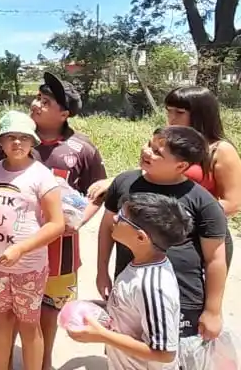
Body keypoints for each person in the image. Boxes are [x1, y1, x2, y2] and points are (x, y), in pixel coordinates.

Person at [0, 72, 106, 370]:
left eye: (45, 101)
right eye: (37, 98)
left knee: (47, 310)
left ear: (64, 114)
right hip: (11, 246)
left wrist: (76, 222)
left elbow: (98, 193)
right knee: (7, 310)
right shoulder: (7, 143)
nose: (36, 104)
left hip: (60, 248)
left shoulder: (82, 149)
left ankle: (44, 363)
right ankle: (4, 362)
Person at [97, 126, 228, 342]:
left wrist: (213, 311)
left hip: (179, 297)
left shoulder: (202, 202)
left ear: (181, 166)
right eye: (149, 144)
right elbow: (106, 228)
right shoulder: (124, 183)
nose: (146, 151)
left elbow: (215, 258)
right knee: (123, 345)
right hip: (129, 291)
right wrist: (102, 271)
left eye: (157, 152)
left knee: (166, 350)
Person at [90, 85, 241, 266]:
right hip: (158, 234)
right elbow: (150, 171)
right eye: (169, 111)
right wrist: (115, 181)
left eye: (179, 112)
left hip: (201, 238)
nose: (171, 118)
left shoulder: (220, 150)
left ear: (202, 114)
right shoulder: (165, 142)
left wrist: (182, 215)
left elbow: (233, 203)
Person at [0, 111, 65, 370]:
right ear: (0, 142)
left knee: (28, 323)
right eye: (11, 137)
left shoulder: (41, 176)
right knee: (1, 317)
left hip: (29, 266)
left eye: (24, 137)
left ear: (32, 141)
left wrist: (20, 249)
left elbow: (56, 224)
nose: (17, 142)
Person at [68, 192, 188, 370]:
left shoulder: (153, 287)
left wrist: (102, 335)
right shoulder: (140, 264)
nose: (114, 218)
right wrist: (102, 307)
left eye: (122, 217)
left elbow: (164, 353)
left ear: (141, 237)